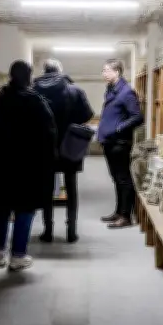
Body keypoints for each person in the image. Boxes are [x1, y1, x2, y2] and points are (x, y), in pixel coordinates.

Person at [0, 60, 57, 271]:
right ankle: (18, 255)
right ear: (29, 77)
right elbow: (50, 134)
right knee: (25, 208)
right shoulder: (36, 102)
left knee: (1, 207)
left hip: (1, 166)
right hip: (28, 167)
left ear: (11, 76)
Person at [33, 58, 94, 243]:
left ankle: (48, 230)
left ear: (44, 71)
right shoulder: (74, 91)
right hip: (70, 144)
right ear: (60, 71)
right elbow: (88, 114)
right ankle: (71, 231)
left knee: (46, 189)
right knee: (71, 187)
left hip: (44, 146)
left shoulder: (34, 91)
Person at [98, 58, 144, 229]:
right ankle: (118, 212)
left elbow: (138, 117)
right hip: (110, 142)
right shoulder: (112, 90)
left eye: (106, 70)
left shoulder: (126, 92)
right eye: (103, 70)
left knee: (123, 179)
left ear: (117, 72)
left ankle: (126, 216)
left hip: (120, 142)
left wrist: (118, 128)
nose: (103, 73)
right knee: (117, 179)